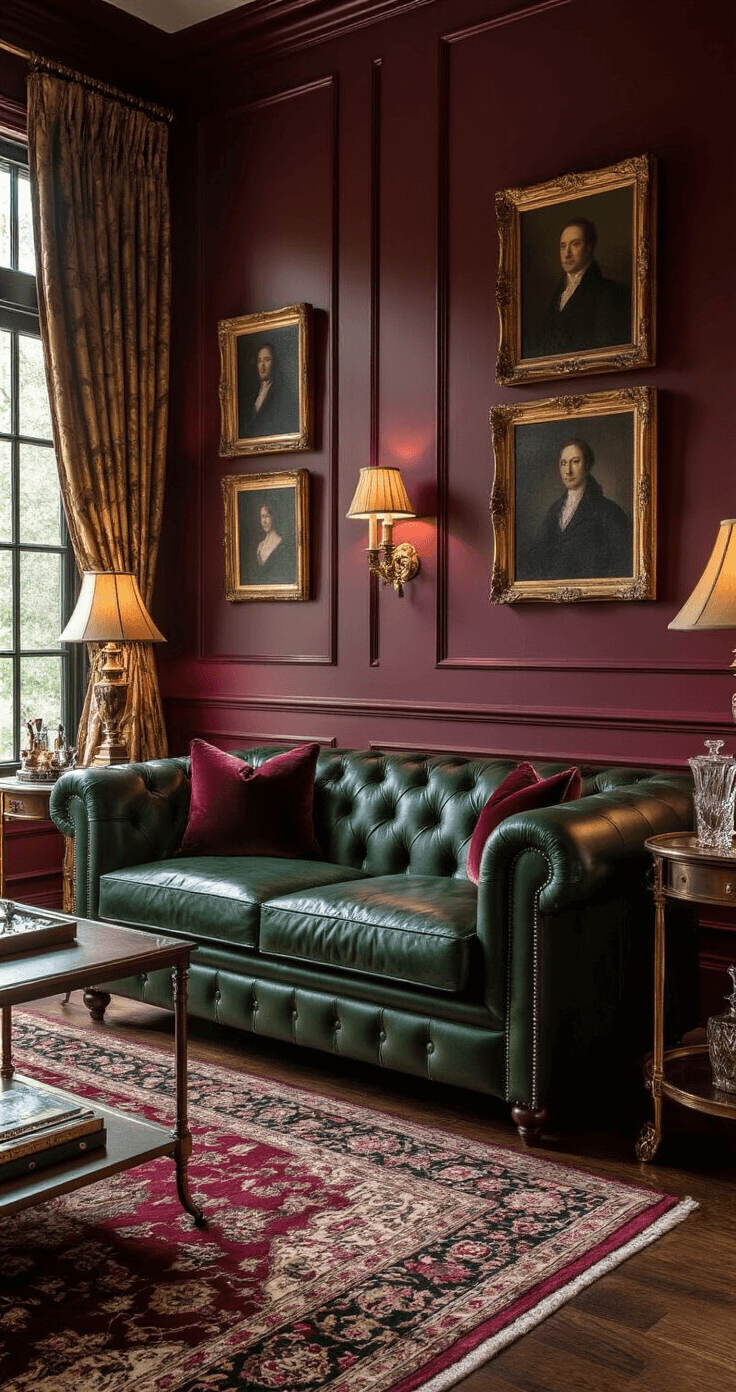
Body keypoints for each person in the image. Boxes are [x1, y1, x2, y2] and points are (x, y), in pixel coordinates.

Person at [519, 437, 632, 581]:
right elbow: (535, 557)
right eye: (564, 463)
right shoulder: (554, 510)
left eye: (575, 462)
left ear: (587, 465)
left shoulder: (608, 511)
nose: (568, 471)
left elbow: (622, 565)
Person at [534, 218, 631, 357]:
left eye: (575, 244)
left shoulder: (609, 292)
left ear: (589, 247)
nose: (567, 253)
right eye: (562, 246)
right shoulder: (554, 294)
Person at [240, 340, 299, 438]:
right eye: (259, 361)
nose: (262, 366)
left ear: (274, 362)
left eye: (267, 360)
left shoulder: (282, 391)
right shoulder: (252, 391)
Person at [240, 500, 296, 586]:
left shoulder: (281, 545)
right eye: (262, 517)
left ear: (274, 517)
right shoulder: (260, 545)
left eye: (267, 516)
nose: (264, 521)